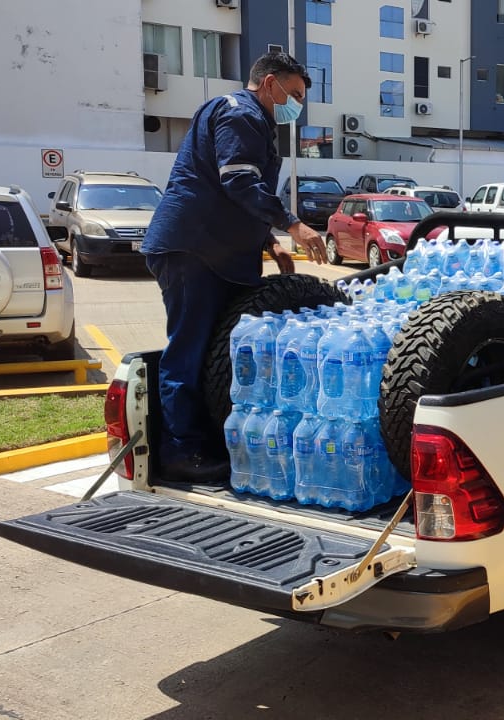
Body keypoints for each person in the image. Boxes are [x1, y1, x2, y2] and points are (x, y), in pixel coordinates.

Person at [141, 51, 328, 480]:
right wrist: (293, 225)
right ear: (269, 84)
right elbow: (239, 180)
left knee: (215, 351)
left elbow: (235, 193)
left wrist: (270, 243)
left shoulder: (251, 119)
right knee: (188, 351)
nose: (296, 105)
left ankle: (203, 441)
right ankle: (181, 451)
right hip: (195, 248)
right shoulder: (240, 114)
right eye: (294, 94)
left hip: (216, 250)